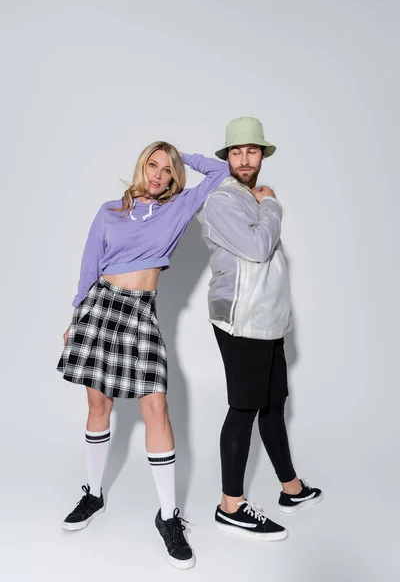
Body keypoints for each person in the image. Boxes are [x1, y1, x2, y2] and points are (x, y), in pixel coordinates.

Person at [57, 141, 229, 568]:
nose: (157, 174)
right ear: (141, 166)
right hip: (101, 305)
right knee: (98, 402)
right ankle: (93, 494)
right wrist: (77, 315)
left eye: (166, 169)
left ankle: (168, 516)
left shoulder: (178, 208)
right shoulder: (109, 212)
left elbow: (221, 173)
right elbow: (88, 265)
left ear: (174, 177)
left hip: (139, 314)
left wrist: (183, 154)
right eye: (153, 165)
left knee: (156, 406)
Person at [195, 117, 322, 540]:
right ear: (227, 157)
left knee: (272, 404)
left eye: (252, 151)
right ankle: (230, 504)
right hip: (240, 319)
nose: (245, 159)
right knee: (244, 407)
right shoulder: (222, 200)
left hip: (266, 319)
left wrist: (263, 203)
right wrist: (272, 205)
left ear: (261, 155)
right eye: (236, 152)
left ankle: (291, 487)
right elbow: (257, 247)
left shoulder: (250, 197)